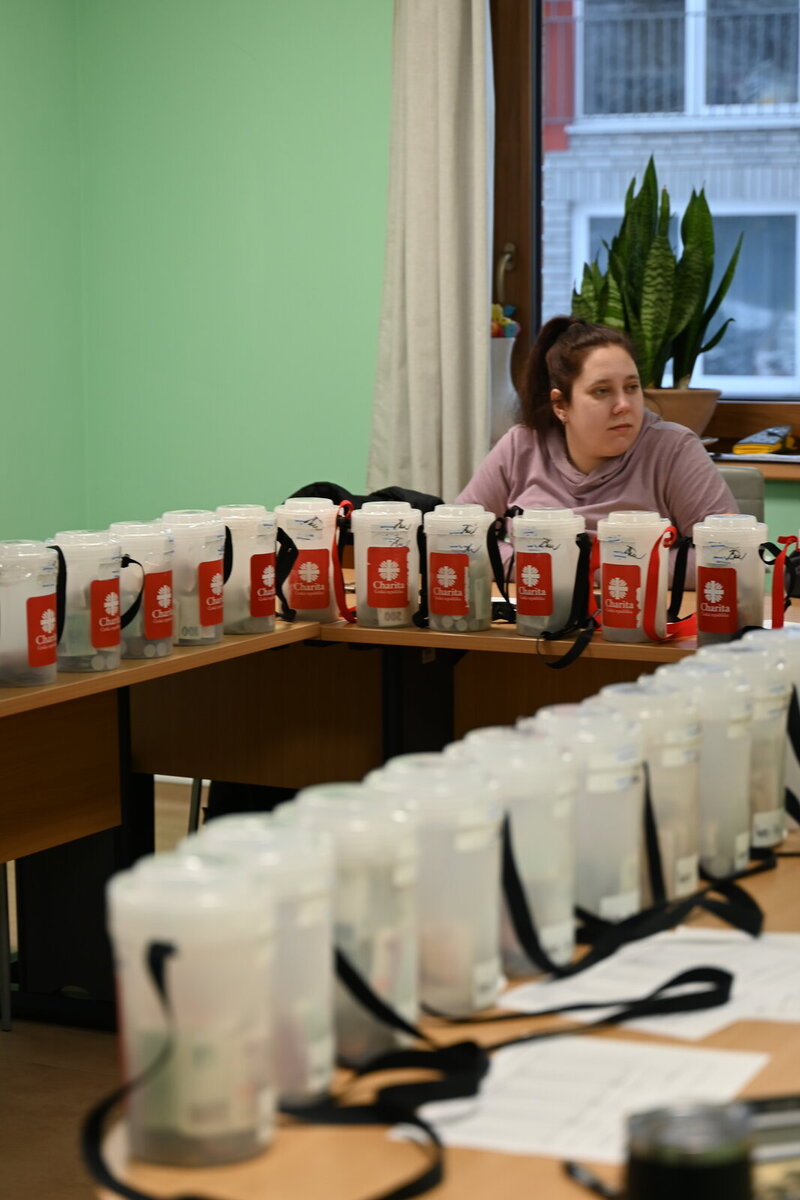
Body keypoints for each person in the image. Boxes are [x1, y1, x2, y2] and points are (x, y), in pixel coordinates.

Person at [456, 316, 736, 574]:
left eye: (631, 387)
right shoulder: (521, 445)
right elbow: (459, 537)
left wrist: (601, 569)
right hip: (535, 606)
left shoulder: (674, 448)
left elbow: (728, 554)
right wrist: (537, 567)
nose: (624, 405)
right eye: (602, 391)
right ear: (560, 405)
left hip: (640, 609)